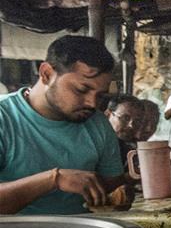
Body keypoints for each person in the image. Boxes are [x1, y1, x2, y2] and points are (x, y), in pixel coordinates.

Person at [0, 35, 129, 214]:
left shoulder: (97, 124)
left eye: (100, 95)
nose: (92, 103)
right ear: (46, 74)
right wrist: (54, 179)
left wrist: (121, 194)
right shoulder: (4, 117)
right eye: (81, 90)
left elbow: (114, 188)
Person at [104, 94, 144, 163]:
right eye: (125, 118)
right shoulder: (92, 145)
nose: (131, 125)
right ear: (108, 115)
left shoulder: (132, 149)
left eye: (137, 121)